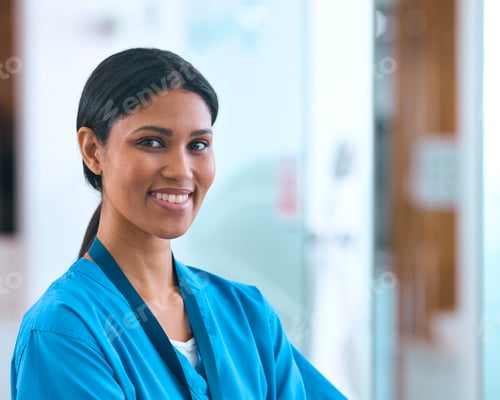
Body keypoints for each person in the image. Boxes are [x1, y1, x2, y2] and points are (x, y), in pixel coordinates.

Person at [10, 48, 346, 399]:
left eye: (198, 145)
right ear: (94, 150)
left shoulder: (248, 315)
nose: (181, 170)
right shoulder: (65, 331)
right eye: (152, 142)